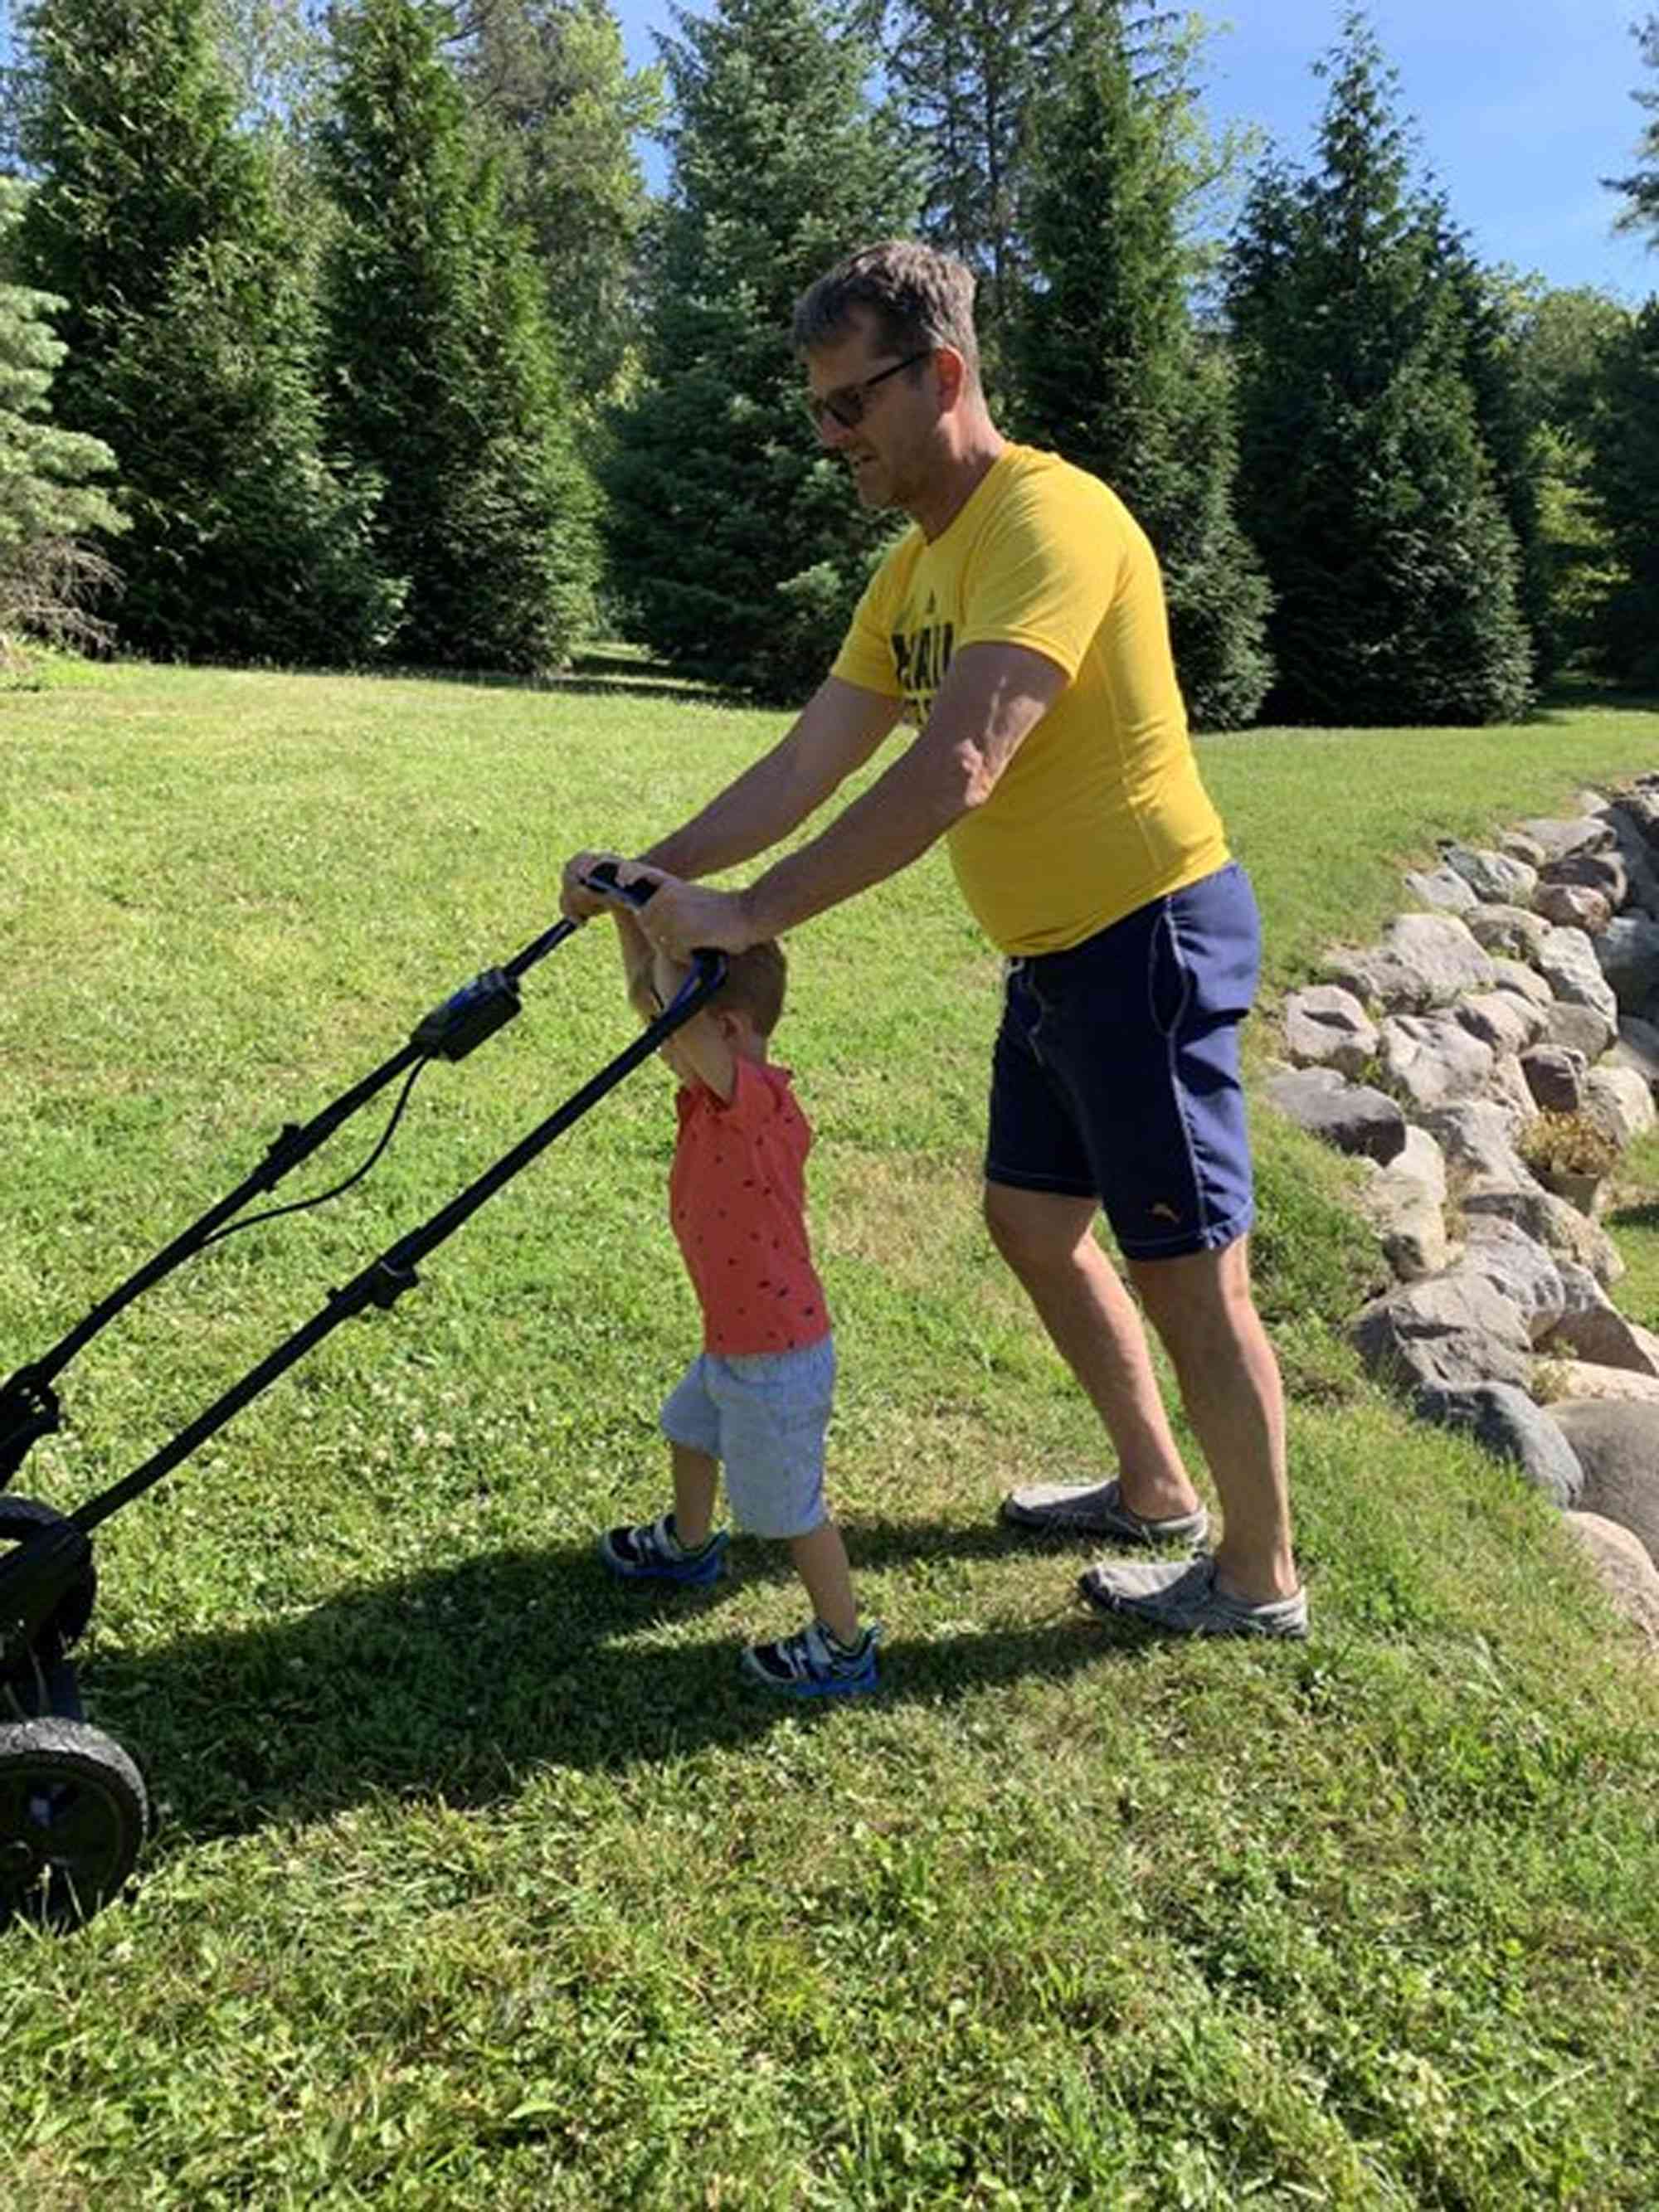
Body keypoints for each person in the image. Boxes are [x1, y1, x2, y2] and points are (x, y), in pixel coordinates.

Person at [561, 240, 1306, 1641]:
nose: (831, 438)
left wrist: (752, 910)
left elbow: (961, 763)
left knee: (1189, 1267)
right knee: (1031, 1222)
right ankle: (1155, 1487)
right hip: (1055, 956)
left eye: (851, 405)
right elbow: (807, 764)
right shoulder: (915, 572)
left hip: (1147, 942)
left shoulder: (1050, 523)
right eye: (818, 412)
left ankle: (1259, 1575)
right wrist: (655, 873)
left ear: (943, 374)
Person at [578, 856, 882, 1696]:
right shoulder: (715, 1088)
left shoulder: (755, 1107)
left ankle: (843, 1643)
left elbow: (669, 1015)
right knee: (687, 1431)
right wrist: (620, 909)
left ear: (734, 1032)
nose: (660, 1039)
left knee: (792, 1512)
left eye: (681, 1028)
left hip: (775, 1359)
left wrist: (637, 895)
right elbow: (655, 998)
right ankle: (685, 1544)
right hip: (736, 1342)